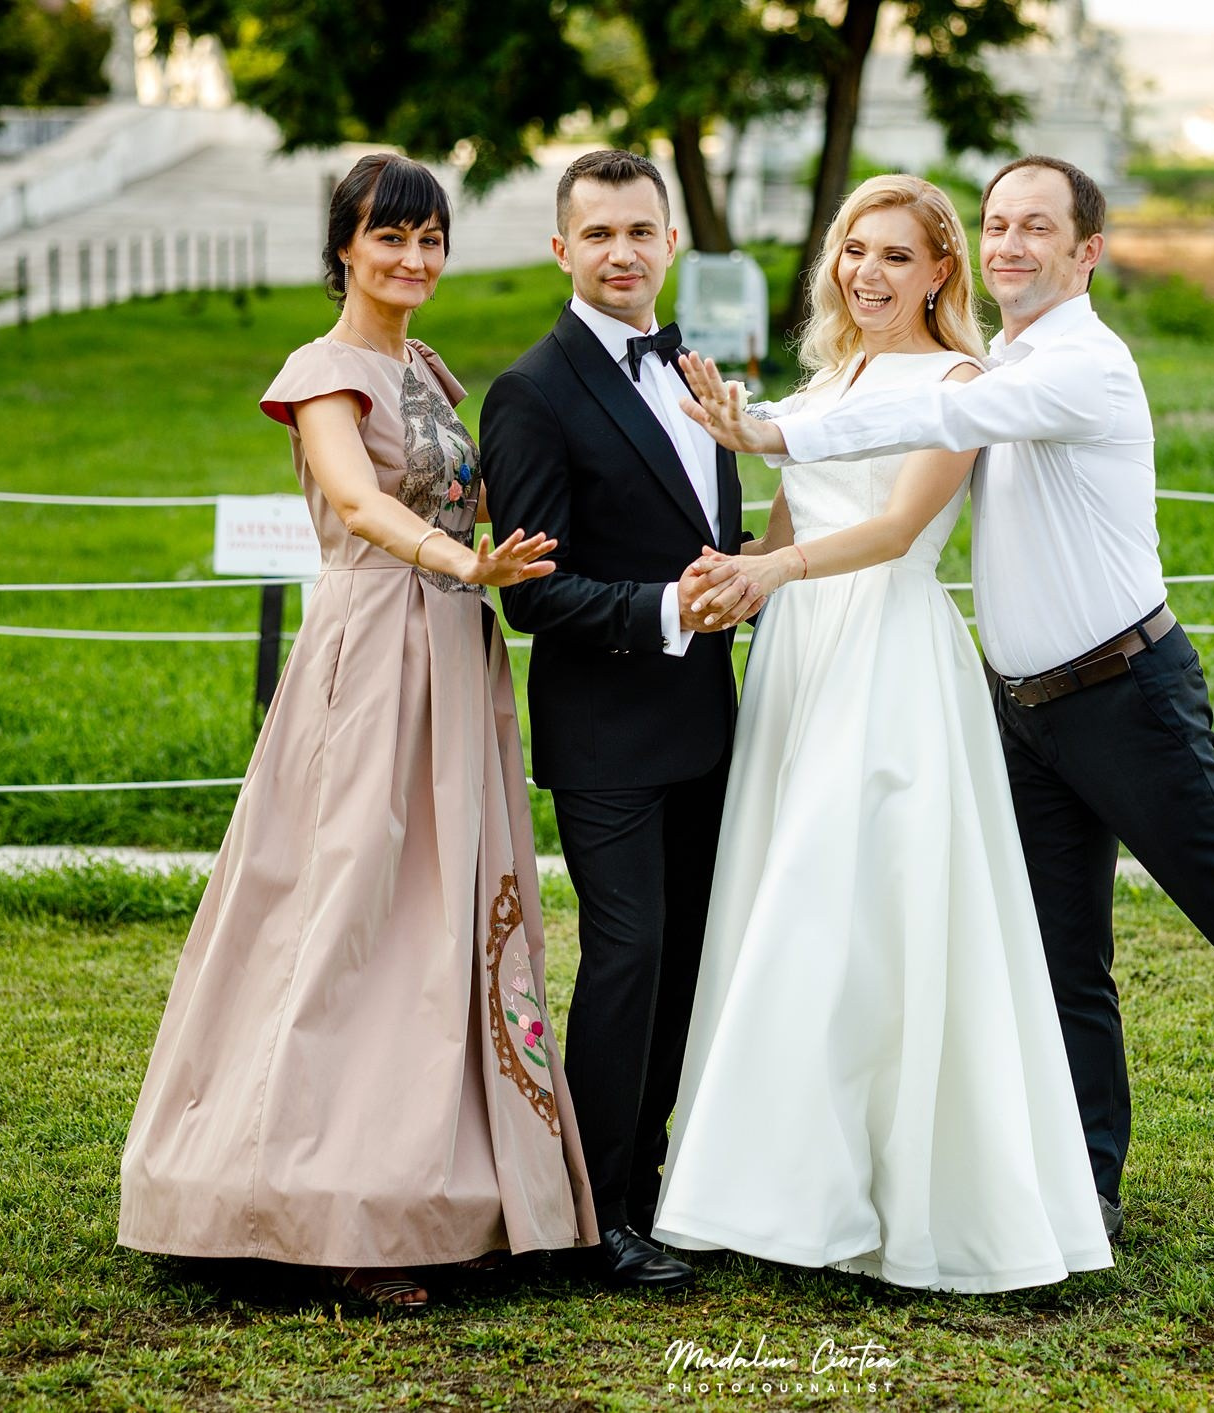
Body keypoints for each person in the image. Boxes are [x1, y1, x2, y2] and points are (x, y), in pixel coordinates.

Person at [679, 155, 1214, 1229]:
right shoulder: (994, 357)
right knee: (1061, 956)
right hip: (1022, 706)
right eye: (997, 224)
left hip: (1124, 692)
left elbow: (925, 425)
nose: (1011, 245)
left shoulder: (1075, 366)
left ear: (1086, 251)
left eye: (1036, 228)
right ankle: (1089, 1183)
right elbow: (887, 418)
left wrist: (767, 430)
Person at [118, 153, 595, 1312]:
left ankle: (440, 1192)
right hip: (372, 653)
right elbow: (354, 499)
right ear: (343, 246)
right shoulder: (323, 371)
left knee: (444, 915)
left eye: (430, 240)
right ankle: (302, 1200)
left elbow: (460, 493)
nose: (414, 260)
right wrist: (453, 561)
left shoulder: (426, 366)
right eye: (390, 239)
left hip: (451, 650)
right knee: (343, 905)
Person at [643, 175, 1113, 1293]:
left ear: (941, 271)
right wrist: (740, 579)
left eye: (897, 255)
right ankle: (769, 1182)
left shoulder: (958, 380)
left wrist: (778, 567)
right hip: (800, 656)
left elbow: (899, 528)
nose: (869, 272)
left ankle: (891, 1193)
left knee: (854, 919)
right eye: (855, 250)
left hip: (888, 657)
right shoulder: (828, 378)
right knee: (782, 905)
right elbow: (793, 506)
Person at [480, 149, 744, 1294]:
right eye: (598, 235)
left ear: (671, 244)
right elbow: (532, 592)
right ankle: (589, 1218)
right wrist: (667, 609)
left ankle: (648, 1185)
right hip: (605, 731)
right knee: (628, 954)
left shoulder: (696, 371)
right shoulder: (530, 391)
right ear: (560, 250)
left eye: (640, 231)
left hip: (707, 720)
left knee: (689, 956)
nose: (622, 253)